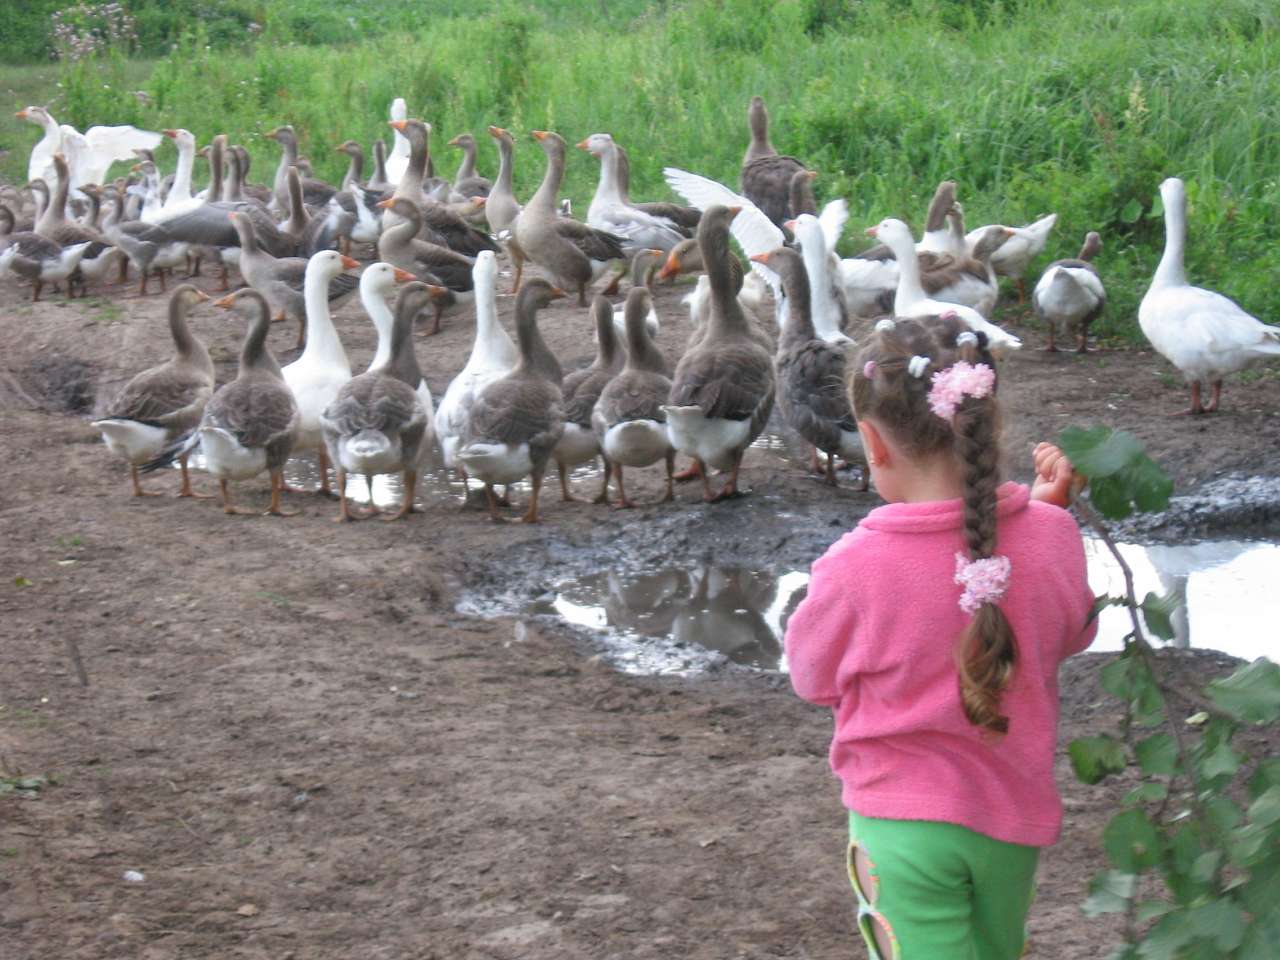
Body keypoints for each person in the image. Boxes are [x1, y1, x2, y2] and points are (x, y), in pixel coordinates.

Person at [784, 313, 1096, 960]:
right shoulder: (1052, 536)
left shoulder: (853, 569)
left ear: (871, 441)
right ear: (989, 423)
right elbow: (1071, 632)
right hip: (1012, 823)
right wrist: (1047, 517)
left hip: (902, 829)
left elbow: (811, 678)